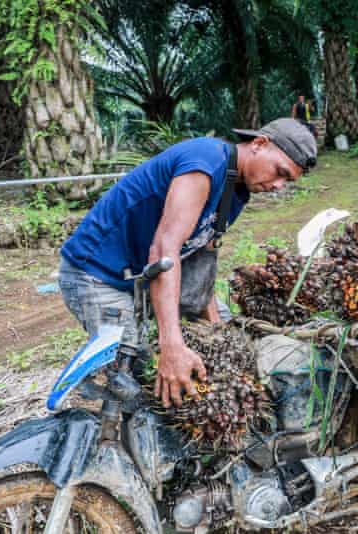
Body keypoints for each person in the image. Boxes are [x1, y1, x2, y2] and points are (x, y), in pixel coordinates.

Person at [59, 119, 317, 409]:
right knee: (135, 373)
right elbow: (164, 251)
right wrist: (172, 346)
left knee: (227, 345)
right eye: (280, 173)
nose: (278, 186)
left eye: (288, 181)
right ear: (259, 144)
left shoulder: (237, 189)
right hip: (97, 274)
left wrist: (218, 332)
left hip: (141, 275)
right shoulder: (206, 161)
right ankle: (104, 429)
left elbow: (198, 254)